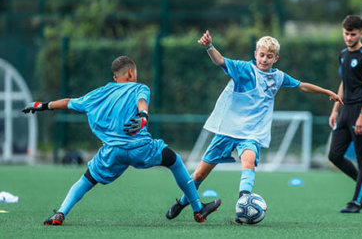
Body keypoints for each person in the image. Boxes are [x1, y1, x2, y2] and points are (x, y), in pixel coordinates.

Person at [166, 30, 343, 223]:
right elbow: (220, 61)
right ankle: (183, 202)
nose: (264, 59)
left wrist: (327, 92)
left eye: (269, 56)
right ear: (255, 54)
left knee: (248, 161)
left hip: (251, 133)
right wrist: (209, 46)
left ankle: (244, 200)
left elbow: (302, 85)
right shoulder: (244, 70)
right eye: (261, 55)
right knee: (200, 173)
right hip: (227, 130)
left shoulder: (278, 77)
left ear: (276, 58)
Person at [22, 56, 221, 225]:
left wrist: (42, 105)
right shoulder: (139, 88)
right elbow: (142, 103)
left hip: (112, 152)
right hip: (140, 147)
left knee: (86, 180)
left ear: (115, 77)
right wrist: (143, 116)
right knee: (174, 161)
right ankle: (197, 209)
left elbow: (68, 102)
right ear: (131, 74)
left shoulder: (99, 94)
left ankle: (60, 213)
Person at [328, 15, 362, 213]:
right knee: (334, 155)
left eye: (353, 34)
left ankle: (357, 201)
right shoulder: (343, 55)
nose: (349, 38)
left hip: (361, 110)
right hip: (346, 110)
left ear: (361, 34)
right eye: (346, 34)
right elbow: (344, 83)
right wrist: (335, 109)